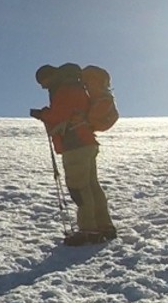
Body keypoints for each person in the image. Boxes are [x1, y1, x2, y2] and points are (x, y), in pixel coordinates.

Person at [32, 63, 117, 246]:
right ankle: (104, 226)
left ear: (49, 76)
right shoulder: (75, 85)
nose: (43, 86)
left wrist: (43, 114)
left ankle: (88, 230)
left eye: (42, 82)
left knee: (79, 187)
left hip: (75, 143)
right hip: (86, 141)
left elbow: (60, 114)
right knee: (92, 186)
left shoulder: (63, 88)